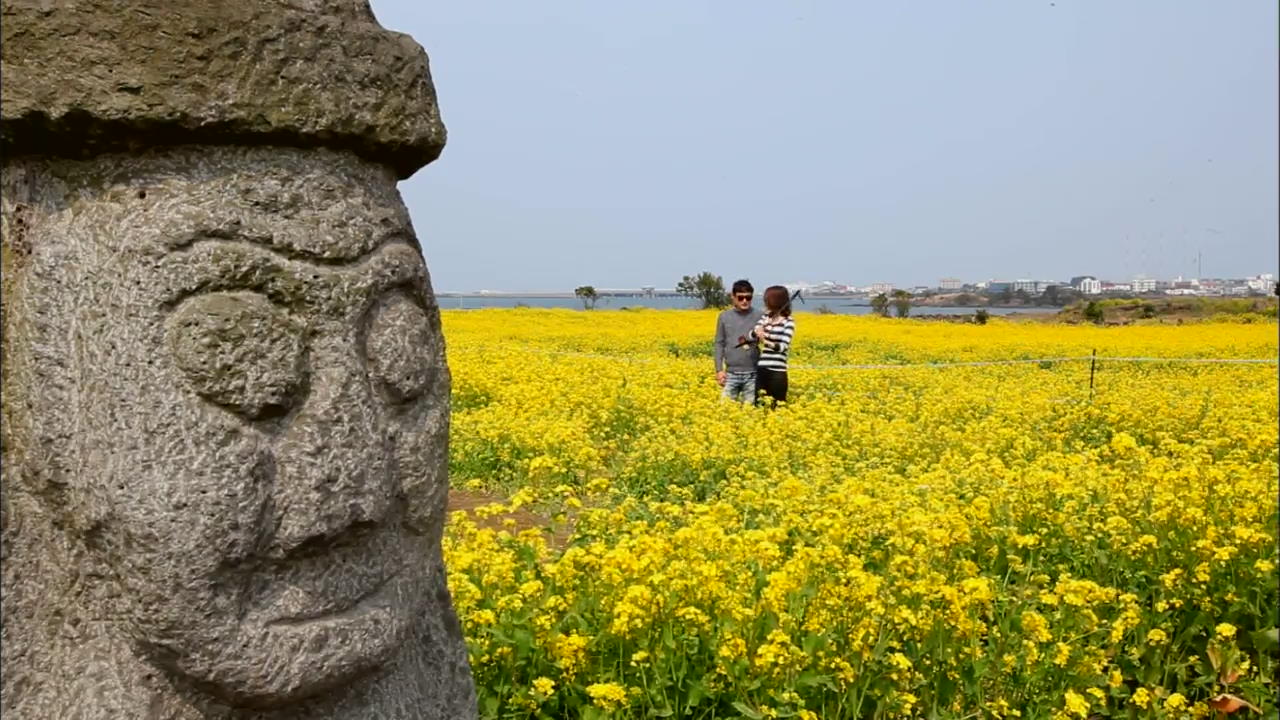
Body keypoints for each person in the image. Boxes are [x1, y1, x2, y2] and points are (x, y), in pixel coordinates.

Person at [714, 279, 761, 404]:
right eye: (740, 298)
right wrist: (719, 370)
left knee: (750, 414)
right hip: (730, 374)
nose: (745, 301)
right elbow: (719, 343)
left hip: (753, 374)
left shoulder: (760, 316)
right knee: (725, 411)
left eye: (748, 297)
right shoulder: (724, 317)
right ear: (733, 297)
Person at [751, 285, 796, 407]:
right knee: (759, 405)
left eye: (767, 300)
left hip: (777, 372)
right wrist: (757, 332)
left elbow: (782, 347)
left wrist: (765, 341)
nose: (765, 303)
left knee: (777, 406)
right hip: (762, 370)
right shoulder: (766, 318)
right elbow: (751, 336)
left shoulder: (788, 322)